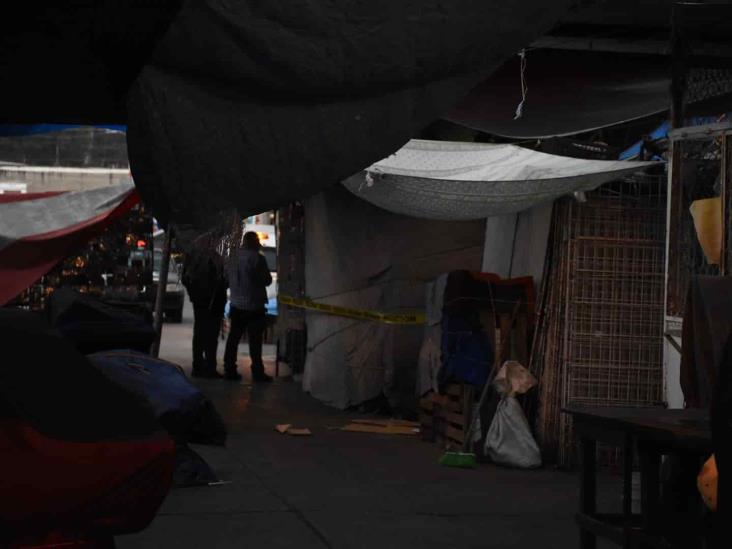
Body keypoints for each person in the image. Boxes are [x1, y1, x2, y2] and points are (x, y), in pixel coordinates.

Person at [223, 231, 273, 382]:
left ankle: (229, 369)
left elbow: (226, 278)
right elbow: (267, 280)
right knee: (255, 342)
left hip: (236, 305)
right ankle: (257, 372)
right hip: (254, 306)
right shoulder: (258, 259)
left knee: (233, 339)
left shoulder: (232, 258)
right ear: (254, 242)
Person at [181, 235, 227, 378]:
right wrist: (195, 294)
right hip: (205, 302)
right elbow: (186, 278)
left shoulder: (214, 258)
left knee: (206, 335)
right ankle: (204, 366)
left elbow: (224, 280)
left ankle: (206, 366)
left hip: (211, 302)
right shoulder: (200, 258)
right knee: (206, 335)